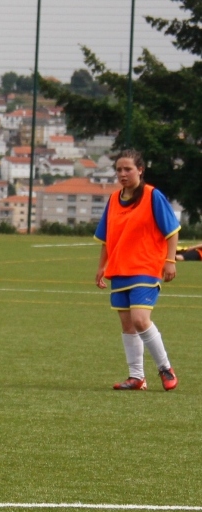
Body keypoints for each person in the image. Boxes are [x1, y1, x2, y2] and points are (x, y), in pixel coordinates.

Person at [94, 149, 180, 391]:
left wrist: (170, 260)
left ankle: (165, 368)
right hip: (120, 268)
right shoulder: (113, 199)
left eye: (128, 169)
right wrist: (102, 266)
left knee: (141, 320)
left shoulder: (153, 196)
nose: (122, 174)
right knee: (127, 325)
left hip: (146, 266)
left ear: (140, 170)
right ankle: (136, 377)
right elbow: (106, 237)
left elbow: (172, 231)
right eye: (119, 169)